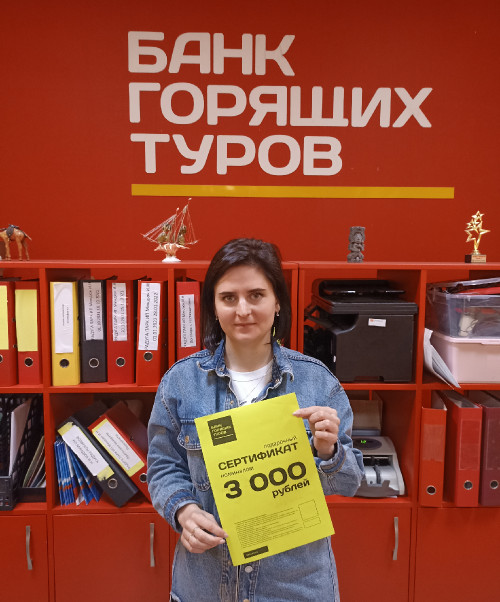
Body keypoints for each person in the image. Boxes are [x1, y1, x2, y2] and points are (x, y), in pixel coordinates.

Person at [147, 238, 364, 602]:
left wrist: (328, 451)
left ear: (277, 302)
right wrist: (183, 510)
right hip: (207, 585)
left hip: (294, 588)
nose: (243, 310)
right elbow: (163, 465)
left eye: (256, 295)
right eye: (228, 298)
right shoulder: (181, 382)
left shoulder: (317, 382)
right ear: (213, 306)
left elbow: (349, 483)